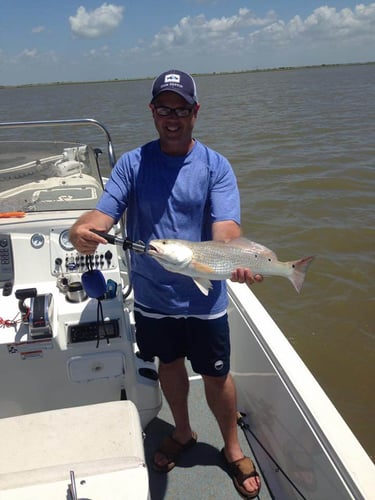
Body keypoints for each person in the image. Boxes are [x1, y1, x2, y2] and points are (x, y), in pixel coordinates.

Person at [69, 69, 261, 498]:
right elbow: (103, 216)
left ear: (195, 113)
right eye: (163, 109)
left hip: (205, 295)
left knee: (217, 375)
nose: (171, 118)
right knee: (169, 365)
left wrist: (236, 258)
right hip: (154, 298)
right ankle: (184, 431)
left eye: (180, 109)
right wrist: (80, 229)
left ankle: (230, 447)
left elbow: (226, 228)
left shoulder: (216, 166)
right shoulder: (132, 165)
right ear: (152, 112)